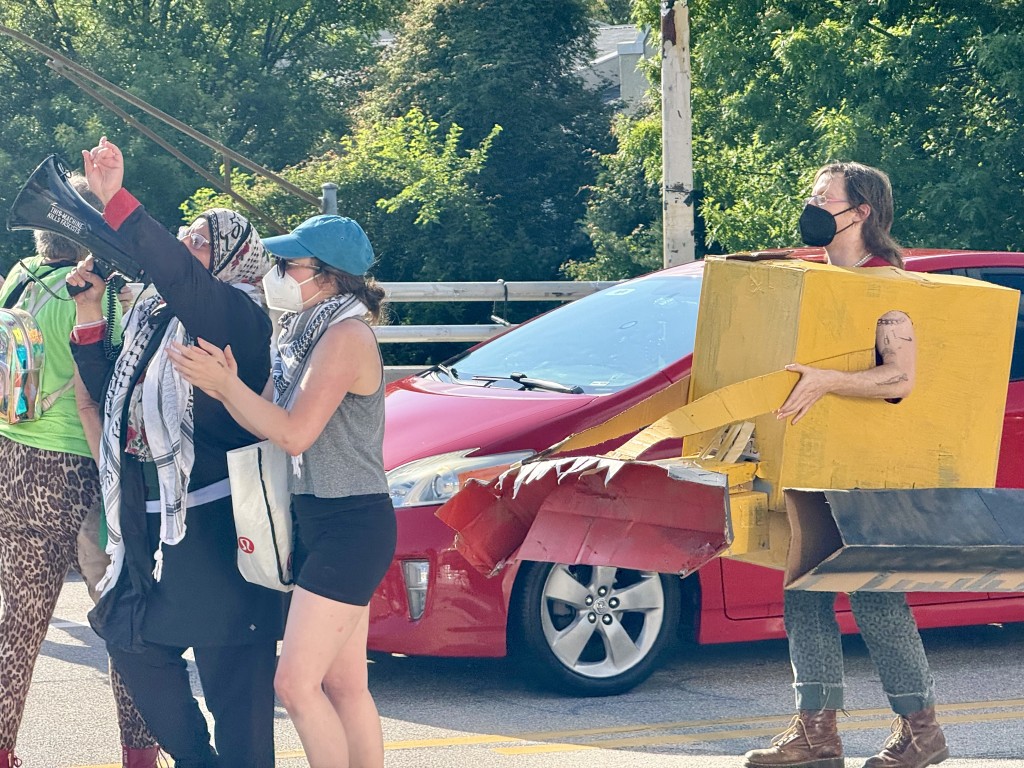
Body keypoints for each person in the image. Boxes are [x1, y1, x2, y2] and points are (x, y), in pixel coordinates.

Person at [68, 137, 285, 768]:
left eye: (199, 239)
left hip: (220, 533)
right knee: (129, 638)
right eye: (183, 234)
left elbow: (182, 277)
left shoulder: (239, 316)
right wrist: (90, 323)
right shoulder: (160, 319)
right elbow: (119, 402)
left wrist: (118, 202)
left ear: (232, 258)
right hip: (152, 523)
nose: (187, 246)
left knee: (237, 694)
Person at [169, 214, 396, 768]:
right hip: (319, 519)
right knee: (344, 687)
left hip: (351, 524)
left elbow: (294, 435)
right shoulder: (302, 329)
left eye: (288, 265)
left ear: (327, 276)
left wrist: (226, 386)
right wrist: (229, 383)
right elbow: (264, 419)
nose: (276, 273)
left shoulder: (345, 336)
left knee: (295, 686)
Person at [744, 162, 948, 768]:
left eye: (823, 197)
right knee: (804, 593)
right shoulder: (814, 283)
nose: (811, 204)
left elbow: (901, 377)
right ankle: (817, 734)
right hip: (814, 460)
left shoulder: (885, 285)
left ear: (859, 213)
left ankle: (922, 733)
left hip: (871, 466)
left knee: (874, 598)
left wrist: (830, 380)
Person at [0, 175, 129, 768]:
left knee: (19, 622)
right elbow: (117, 381)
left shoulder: (18, 281)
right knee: (123, 618)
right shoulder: (90, 293)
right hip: (76, 465)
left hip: (11, 456)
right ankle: (140, 752)